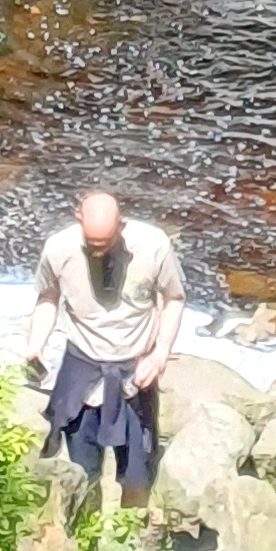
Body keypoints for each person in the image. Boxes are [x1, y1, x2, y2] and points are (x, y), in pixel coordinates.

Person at [24, 187, 186, 509]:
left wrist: (160, 353)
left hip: (134, 371)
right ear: (77, 220)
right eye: (92, 245)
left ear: (121, 225)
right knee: (81, 472)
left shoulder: (153, 245)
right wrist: (34, 346)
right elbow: (48, 297)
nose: (98, 253)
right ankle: (84, 538)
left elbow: (174, 298)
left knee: (139, 474)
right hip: (81, 367)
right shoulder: (58, 248)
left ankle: (132, 542)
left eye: (106, 243)